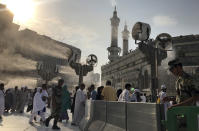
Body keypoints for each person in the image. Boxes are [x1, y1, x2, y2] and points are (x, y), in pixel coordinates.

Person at [168, 59, 199, 130]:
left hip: (189, 116)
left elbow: (196, 97)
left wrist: (176, 106)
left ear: (178, 67)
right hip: (180, 115)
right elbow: (182, 96)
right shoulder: (178, 80)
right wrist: (172, 99)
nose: (171, 71)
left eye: (172, 69)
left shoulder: (189, 79)